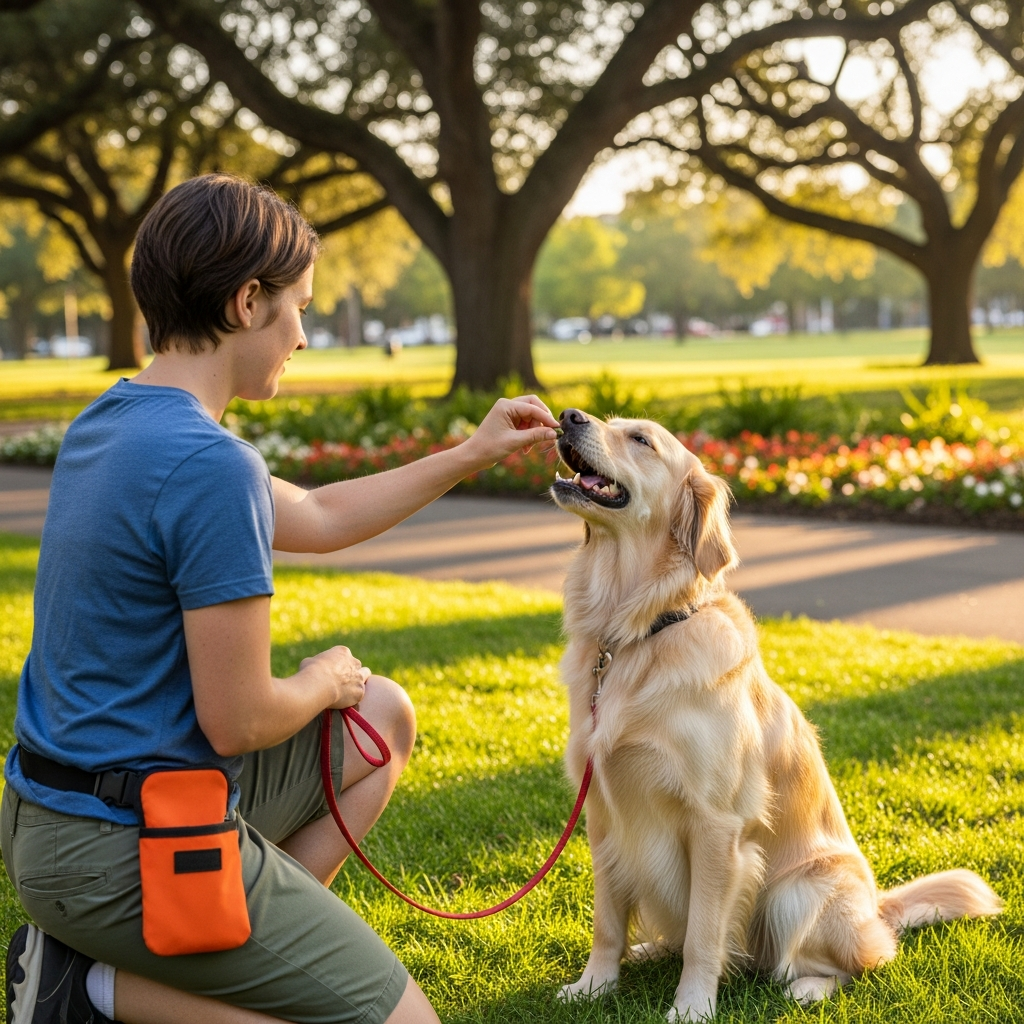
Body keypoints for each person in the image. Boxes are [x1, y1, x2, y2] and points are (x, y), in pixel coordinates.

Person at [2, 173, 560, 1024]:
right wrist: (321, 679)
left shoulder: (113, 420)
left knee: (382, 714)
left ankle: (237, 941)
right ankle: (87, 991)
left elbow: (322, 514)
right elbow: (241, 721)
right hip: (117, 849)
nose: (301, 334)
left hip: (53, 818)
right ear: (246, 301)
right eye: (298, 308)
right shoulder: (211, 466)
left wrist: (469, 454)